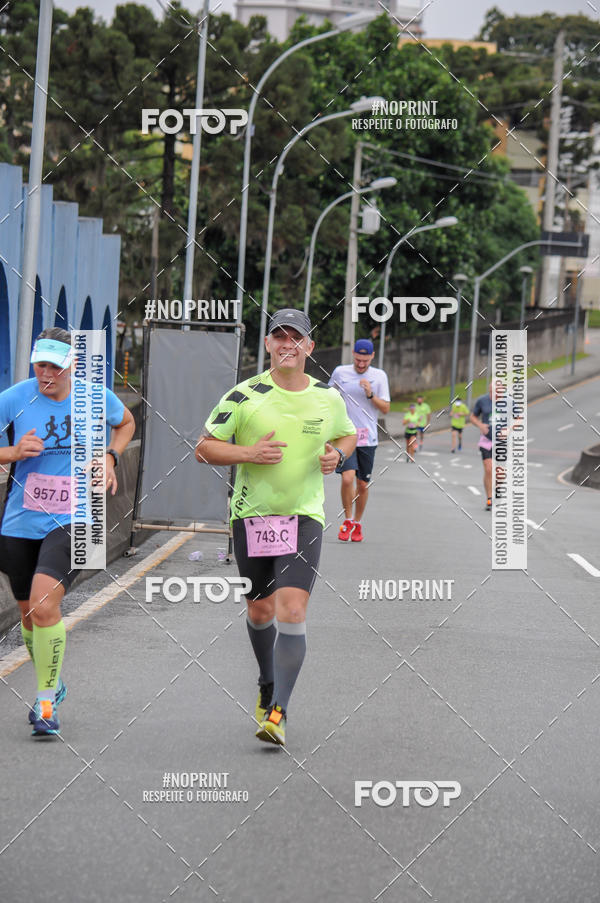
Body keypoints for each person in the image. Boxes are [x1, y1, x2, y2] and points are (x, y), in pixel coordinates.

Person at [196, 309, 356, 747]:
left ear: (309, 346)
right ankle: (268, 684)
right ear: (267, 344)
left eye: (296, 338)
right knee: (260, 611)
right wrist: (248, 454)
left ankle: (279, 712)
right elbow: (204, 448)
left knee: (292, 610)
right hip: (251, 517)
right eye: (279, 337)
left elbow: (348, 435)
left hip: (305, 517)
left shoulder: (328, 397)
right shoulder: (244, 395)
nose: (288, 344)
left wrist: (337, 457)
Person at [0, 328, 135, 736]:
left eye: (55, 367)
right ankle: (54, 684)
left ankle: (44, 703)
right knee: (28, 614)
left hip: (76, 517)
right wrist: (11, 452)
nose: (46, 374)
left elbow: (125, 422)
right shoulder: (16, 397)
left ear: (72, 365)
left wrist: (111, 457)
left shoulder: (95, 397)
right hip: (21, 518)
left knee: (44, 605)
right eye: (41, 365)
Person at [328, 339, 390, 543]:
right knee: (347, 478)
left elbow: (386, 408)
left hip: (368, 437)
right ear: (353, 354)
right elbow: (329, 398)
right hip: (345, 435)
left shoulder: (379, 376)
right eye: (358, 359)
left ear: (372, 357)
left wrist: (370, 394)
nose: (361, 364)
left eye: (365, 361)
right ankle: (347, 520)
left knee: (362, 485)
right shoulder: (340, 372)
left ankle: (357, 522)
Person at [470, 383, 495, 511]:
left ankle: (496, 488)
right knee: (488, 469)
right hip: (486, 440)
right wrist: (480, 425)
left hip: (502, 442)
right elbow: (473, 417)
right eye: (492, 389)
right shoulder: (482, 400)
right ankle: (489, 498)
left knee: (501, 474)